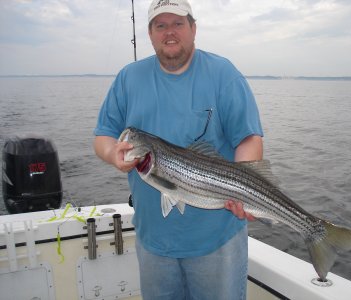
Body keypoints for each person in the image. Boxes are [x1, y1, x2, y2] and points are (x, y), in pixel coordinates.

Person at [93, 0, 263, 299]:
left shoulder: (223, 74)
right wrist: (112, 154)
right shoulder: (129, 78)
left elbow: (249, 139)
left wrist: (242, 189)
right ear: (150, 33)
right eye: (161, 25)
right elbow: (104, 135)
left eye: (178, 24)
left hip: (216, 241)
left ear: (193, 29)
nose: (169, 32)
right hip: (152, 242)